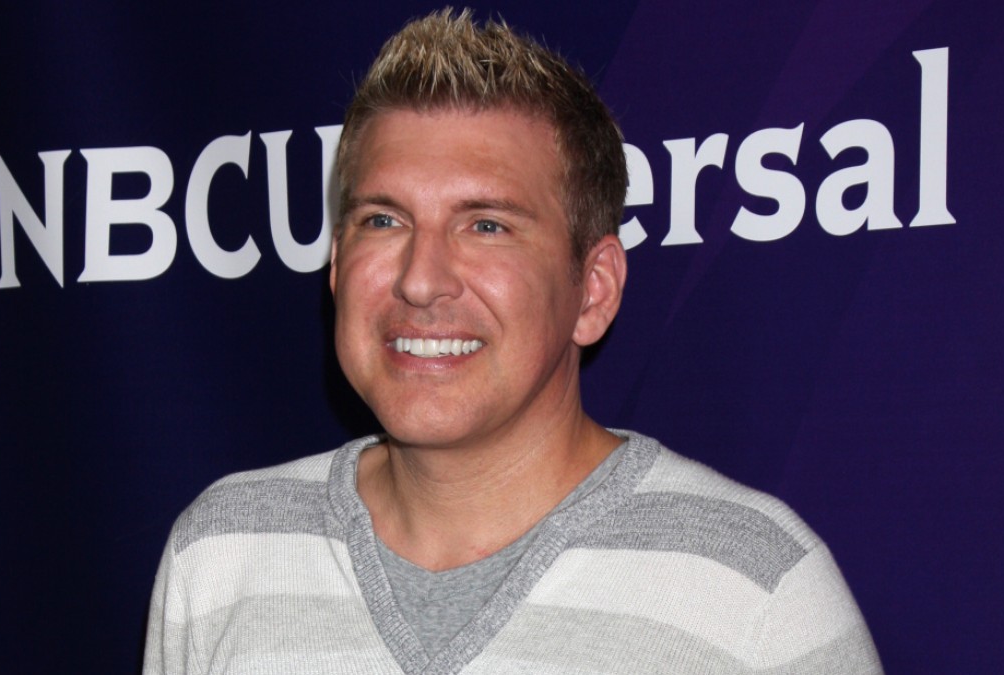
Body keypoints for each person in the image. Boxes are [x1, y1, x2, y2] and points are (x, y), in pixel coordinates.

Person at [142, 9, 882, 674]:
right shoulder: (222, 551)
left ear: (592, 290)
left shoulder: (755, 590)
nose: (420, 280)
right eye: (383, 220)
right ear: (336, 268)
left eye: (486, 224)